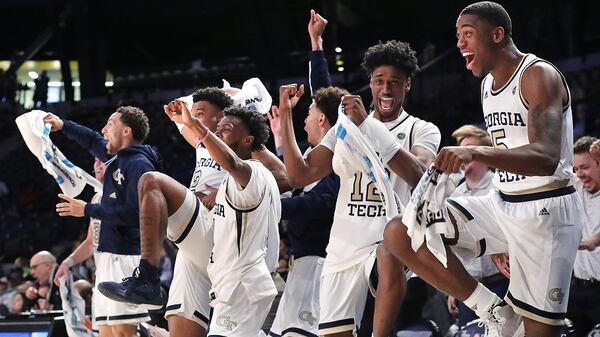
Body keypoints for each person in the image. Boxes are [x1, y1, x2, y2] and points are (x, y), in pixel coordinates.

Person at [384, 2, 582, 337]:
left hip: (547, 210)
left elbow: (545, 157)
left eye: (468, 34)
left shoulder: (538, 75)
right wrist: (502, 236)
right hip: (503, 202)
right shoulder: (486, 86)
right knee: (402, 231)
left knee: (539, 333)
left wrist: (476, 150)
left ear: (497, 34)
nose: (459, 43)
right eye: (458, 36)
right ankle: (492, 309)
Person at [100, 103, 281, 336]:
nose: (217, 131)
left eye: (225, 129)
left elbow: (235, 164)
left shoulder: (256, 172)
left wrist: (194, 124)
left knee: (152, 180)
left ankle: (147, 278)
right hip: (225, 276)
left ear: (247, 141)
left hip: (244, 284)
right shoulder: (232, 183)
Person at [44, 106, 160, 337]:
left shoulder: (138, 165)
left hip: (125, 256)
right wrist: (63, 124)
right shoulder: (118, 158)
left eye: (110, 124)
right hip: (107, 259)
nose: (103, 130)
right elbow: (90, 139)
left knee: (123, 332)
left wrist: (87, 209)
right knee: (106, 332)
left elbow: (135, 214)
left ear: (126, 131)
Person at [268, 86, 345, 337]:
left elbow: (321, 204)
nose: (305, 119)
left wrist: (269, 206)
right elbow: (294, 182)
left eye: (310, 112)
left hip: (319, 264)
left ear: (322, 119)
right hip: (300, 263)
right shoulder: (313, 154)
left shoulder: (338, 157)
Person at [445, 125, 509, 328]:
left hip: (503, 282)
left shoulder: (501, 187)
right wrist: (452, 288)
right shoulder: (454, 195)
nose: (463, 154)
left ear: (485, 154)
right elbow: (453, 249)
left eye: (470, 148)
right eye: (461, 148)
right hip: (469, 287)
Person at [568, 136, 600, 336]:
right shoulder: (576, 186)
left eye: (585, 167)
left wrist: (594, 241)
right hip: (576, 289)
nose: (580, 174)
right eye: (576, 168)